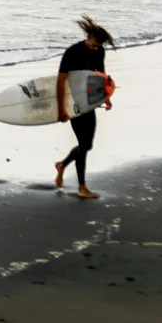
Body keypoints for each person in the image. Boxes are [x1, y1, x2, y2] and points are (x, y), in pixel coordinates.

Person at [53, 15, 116, 200]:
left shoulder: (99, 52)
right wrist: (61, 108)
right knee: (83, 144)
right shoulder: (72, 52)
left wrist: (106, 96)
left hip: (88, 101)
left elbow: (99, 75)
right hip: (73, 102)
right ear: (87, 36)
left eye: (98, 46)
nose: (96, 48)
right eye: (94, 44)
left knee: (87, 145)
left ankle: (62, 165)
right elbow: (61, 80)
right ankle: (82, 187)